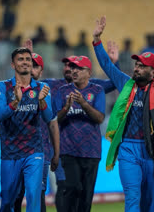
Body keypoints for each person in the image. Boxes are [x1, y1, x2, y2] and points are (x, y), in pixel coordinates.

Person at [92, 16, 154, 212]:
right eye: (136, 65)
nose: (136, 68)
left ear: (153, 72)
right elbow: (107, 66)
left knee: (149, 202)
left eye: (142, 66)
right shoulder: (126, 84)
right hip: (128, 150)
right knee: (132, 197)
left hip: (151, 151)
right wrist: (97, 41)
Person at [0, 47, 54, 212]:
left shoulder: (42, 87)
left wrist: (41, 101)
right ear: (13, 65)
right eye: (21, 59)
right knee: (7, 200)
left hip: (34, 151)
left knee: (34, 195)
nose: (26, 62)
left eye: (28, 59)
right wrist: (15, 102)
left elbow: (49, 118)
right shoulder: (2, 87)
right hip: (10, 153)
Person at [55, 55, 105, 212]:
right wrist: (66, 107)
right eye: (72, 68)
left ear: (88, 72)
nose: (73, 71)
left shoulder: (97, 90)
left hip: (91, 152)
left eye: (78, 68)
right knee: (73, 187)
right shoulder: (62, 91)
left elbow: (99, 118)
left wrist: (83, 104)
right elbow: (55, 120)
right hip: (69, 150)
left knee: (86, 195)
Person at [14, 52, 60, 212]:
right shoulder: (10, 89)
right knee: (15, 197)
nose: (30, 68)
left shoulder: (47, 91)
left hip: (40, 153)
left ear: (41, 71)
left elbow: (53, 124)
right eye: (27, 63)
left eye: (35, 66)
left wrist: (56, 153)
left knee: (38, 197)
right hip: (14, 153)